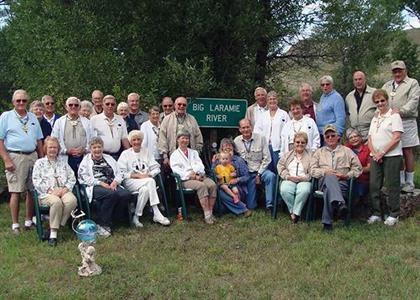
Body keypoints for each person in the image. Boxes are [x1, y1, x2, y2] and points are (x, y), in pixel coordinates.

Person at [0, 89, 44, 234]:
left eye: (24, 100)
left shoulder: (32, 117)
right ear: (13, 102)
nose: (21, 103)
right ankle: (15, 225)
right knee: (16, 191)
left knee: (32, 190)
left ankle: (28, 221)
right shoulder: (6, 117)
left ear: (27, 102)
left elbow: (39, 140)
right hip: (15, 156)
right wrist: (6, 159)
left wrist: (42, 159)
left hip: (32, 156)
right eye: (18, 100)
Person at [310, 124, 362, 231]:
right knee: (329, 176)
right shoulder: (319, 152)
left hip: (342, 183)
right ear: (324, 138)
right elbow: (312, 170)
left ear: (338, 136)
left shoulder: (347, 151)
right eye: (327, 136)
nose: (330, 138)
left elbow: (358, 169)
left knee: (328, 190)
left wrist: (345, 175)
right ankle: (341, 204)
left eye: (332, 135)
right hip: (323, 182)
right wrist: (325, 171)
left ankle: (327, 223)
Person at [78, 137, 132, 237]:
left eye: (99, 147)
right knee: (111, 194)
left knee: (126, 195)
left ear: (102, 148)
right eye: (94, 147)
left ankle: (114, 218)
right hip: (95, 186)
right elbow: (83, 177)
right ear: (90, 149)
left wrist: (115, 181)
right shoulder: (86, 161)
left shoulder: (109, 158)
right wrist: (99, 183)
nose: (97, 150)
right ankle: (103, 224)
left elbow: (119, 172)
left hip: (112, 184)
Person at [117, 130, 170, 227]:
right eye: (134, 140)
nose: (136, 142)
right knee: (150, 182)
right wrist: (137, 176)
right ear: (130, 142)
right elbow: (121, 173)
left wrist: (149, 174)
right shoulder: (125, 154)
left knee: (145, 190)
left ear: (142, 141)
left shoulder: (146, 152)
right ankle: (156, 212)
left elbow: (156, 167)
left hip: (145, 181)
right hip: (131, 182)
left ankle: (136, 217)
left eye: (139, 139)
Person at [367, 89, 404, 226]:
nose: (380, 103)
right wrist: (375, 153)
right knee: (374, 185)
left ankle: (394, 213)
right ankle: (377, 213)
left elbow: (396, 138)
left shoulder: (394, 116)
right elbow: (370, 138)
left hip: (391, 155)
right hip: (375, 156)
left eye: (382, 100)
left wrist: (382, 152)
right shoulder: (375, 117)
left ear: (387, 100)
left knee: (392, 184)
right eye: (377, 102)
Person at [382, 60, 420, 193]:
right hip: (391, 122)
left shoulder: (412, 83)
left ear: (405, 71)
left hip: (406, 120)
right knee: (395, 152)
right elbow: (381, 99)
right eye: (395, 71)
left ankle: (409, 182)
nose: (397, 73)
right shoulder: (387, 85)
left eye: (400, 70)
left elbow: (414, 101)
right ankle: (400, 181)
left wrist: (401, 110)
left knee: (407, 151)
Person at [32, 137, 77, 246]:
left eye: (55, 147)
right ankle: (53, 234)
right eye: (50, 147)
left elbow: (72, 177)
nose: (53, 150)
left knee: (72, 200)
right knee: (56, 202)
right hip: (47, 193)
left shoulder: (63, 162)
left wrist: (65, 188)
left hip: (63, 190)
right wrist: (51, 191)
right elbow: (36, 180)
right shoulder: (39, 163)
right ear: (45, 148)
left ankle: (56, 225)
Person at [170, 129, 217, 224]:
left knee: (212, 185)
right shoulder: (174, 155)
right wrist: (191, 175)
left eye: (187, 138)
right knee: (201, 186)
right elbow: (176, 170)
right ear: (177, 140)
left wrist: (195, 172)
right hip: (185, 180)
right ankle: (207, 215)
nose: (185, 140)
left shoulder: (194, 152)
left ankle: (211, 212)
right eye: (182, 138)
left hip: (199, 176)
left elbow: (200, 165)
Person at [234, 119, 276, 210]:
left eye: (248, 127)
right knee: (251, 206)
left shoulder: (261, 138)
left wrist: (259, 174)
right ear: (240, 129)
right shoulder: (236, 141)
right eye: (243, 128)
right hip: (248, 174)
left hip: (261, 170)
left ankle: (270, 204)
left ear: (251, 127)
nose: (246, 130)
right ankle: (255, 201)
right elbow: (232, 157)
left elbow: (267, 158)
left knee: (271, 176)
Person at [51, 97, 93, 174]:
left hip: (83, 157)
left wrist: (85, 150)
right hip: (65, 157)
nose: (73, 107)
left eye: (76, 105)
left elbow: (93, 139)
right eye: (70, 105)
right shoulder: (59, 122)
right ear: (66, 107)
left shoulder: (87, 123)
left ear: (79, 107)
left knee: (83, 182)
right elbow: (54, 140)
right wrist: (66, 151)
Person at [211, 138, 252, 217]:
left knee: (222, 195)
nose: (227, 149)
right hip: (222, 186)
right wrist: (213, 163)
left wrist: (237, 179)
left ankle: (237, 209)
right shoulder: (217, 160)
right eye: (225, 147)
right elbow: (212, 175)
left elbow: (247, 176)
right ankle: (243, 209)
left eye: (230, 147)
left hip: (236, 187)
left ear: (233, 148)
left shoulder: (239, 160)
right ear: (221, 149)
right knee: (219, 191)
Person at [277, 132, 312, 223]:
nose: (300, 144)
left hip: (304, 180)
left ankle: (295, 214)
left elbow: (313, 170)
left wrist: (304, 178)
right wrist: (288, 177)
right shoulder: (287, 155)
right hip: (289, 179)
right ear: (294, 143)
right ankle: (294, 212)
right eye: (297, 142)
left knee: (304, 190)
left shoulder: (311, 156)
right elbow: (280, 166)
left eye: (302, 142)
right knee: (285, 190)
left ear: (306, 143)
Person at [158, 96, 203, 166]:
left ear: (186, 106)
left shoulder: (192, 119)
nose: (181, 106)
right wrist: (165, 157)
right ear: (175, 106)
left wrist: (197, 153)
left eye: (184, 105)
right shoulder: (167, 119)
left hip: (190, 157)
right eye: (179, 104)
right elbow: (162, 138)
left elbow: (198, 137)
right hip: (172, 156)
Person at [254, 91, 290, 173]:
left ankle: (278, 185)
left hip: (278, 147)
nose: (272, 101)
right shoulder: (263, 115)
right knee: (267, 170)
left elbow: (288, 131)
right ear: (267, 101)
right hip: (265, 147)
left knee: (279, 169)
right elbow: (257, 131)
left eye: (274, 99)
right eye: (270, 99)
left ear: (277, 100)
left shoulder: (283, 114)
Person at [90, 95, 130, 160]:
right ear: (102, 105)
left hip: (117, 156)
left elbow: (124, 138)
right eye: (107, 104)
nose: (110, 106)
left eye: (112, 104)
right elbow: (91, 140)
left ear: (115, 106)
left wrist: (130, 154)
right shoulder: (94, 120)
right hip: (100, 156)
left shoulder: (120, 119)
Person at [345, 71, 377, 141]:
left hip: (371, 133)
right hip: (355, 136)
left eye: (360, 79)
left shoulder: (374, 93)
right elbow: (348, 115)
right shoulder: (349, 97)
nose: (358, 82)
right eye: (355, 80)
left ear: (365, 80)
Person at [316, 76, 346, 141]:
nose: (325, 86)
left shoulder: (337, 98)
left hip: (331, 135)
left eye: (327, 84)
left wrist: (337, 134)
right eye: (322, 85)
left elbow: (341, 118)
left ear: (332, 85)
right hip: (321, 134)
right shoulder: (323, 97)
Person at [345, 128, 370, 203]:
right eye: (351, 138)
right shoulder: (346, 149)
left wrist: (356, 171)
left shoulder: (367, 149)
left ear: (360, 137)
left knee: (357, 194)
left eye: (355, 136)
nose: (354, 139)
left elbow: (369, 168)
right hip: (347, 179)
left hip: (362, 179)